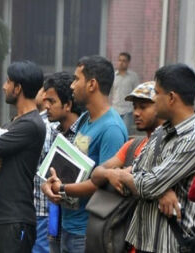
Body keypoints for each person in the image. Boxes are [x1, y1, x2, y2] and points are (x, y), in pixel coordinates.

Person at [102, 64, 195, 253]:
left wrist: (122, 175)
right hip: (143, 240)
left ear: (171, 97)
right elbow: (139, 170)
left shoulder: (194, 137)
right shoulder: (161, 132)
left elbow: (147, 184)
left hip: (172, 245)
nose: (154, 99)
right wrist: (160, 188)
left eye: (156, 93)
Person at [42, 55, 127, 253]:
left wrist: (62, 189)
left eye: (76, 79)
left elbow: (104, 183)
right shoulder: (84, 119)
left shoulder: (111, 128)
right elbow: (68, 161)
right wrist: (49, 185)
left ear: (92, 84)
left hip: (87, 231)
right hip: (68, 225)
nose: (72, 86)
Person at [0, 61, 46, 253]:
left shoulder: (31, 124)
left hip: (15, 219)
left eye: (8, 82)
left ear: (18, 88)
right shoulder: (12, 124)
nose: (4, 86)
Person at [41, 71, 84, 253]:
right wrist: (46, 186)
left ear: (67, 105)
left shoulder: (84, 133)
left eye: (52, 101)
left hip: (78, 224)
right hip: (55, 218)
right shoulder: (54, 131)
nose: (46, 107)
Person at [91, 81, 163, 188]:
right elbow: (96, 174)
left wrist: (123, 176)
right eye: (135, 107)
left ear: (160, 107)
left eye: (143, 107)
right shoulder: (133, 146)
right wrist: (111, 174)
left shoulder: (169, 146)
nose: (136, 113)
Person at [31, 85, 57, 253]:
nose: (47, 102)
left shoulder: (47, 126)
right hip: (39, 205)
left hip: (43, 206)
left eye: (51, 99)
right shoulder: (39, 122)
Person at [109, 52, 139, 136]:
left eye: (124, 61)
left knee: (125, 134)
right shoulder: (113, 76)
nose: (121, 63)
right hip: (115, 110)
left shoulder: (133, 76)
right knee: (115, 133)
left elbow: (136, 93)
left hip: (128, 111)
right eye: (119, 60)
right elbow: (109, 93)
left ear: (128, 62)